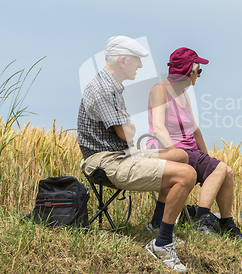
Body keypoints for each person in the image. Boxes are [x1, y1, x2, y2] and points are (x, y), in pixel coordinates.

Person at [78, 36, 195, 273]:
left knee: (180, 156)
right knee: (187, 175)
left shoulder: (111, 86)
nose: (140, 66)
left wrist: (128, 124)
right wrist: (128, 125)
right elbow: (126, 132)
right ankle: (162, 244)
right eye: (137, 61)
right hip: (105, 160)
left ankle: (155, 225)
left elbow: (128, 130)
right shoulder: (103, 90)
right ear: (123, 60)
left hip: (121, 154)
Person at [145, 47, 242, 239]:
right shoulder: (160, 90)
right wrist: (175, 153)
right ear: (188, 71)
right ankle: (202, 221)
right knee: (220, 169)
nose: (199, 76)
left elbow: (195, 130)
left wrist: (207, 159)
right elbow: (158, 127)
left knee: (226, 171)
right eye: (198, 71)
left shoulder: (184, 94)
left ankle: (226, 224)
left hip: (189, 151)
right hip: (170, 149)